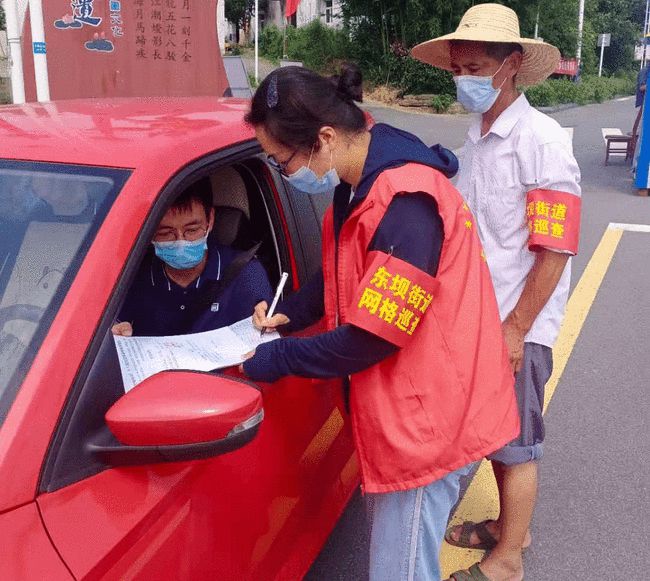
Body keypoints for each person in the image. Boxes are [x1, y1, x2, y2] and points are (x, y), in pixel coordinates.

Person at [240, 64, 520, 581]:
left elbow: (373, 338)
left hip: (429, 422)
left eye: (283, 163)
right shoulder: (356, 186)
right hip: (411, 409)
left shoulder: (407, 203)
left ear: (324, 139)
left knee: (401, 571)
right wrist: (292, 313)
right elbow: (342, 275)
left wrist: (279, 358)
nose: (285, 175)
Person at [412, 4, 582, 580]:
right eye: (457, 68)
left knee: (516, 442)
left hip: (520, 323)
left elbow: (554, 251)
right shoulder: (477, 138)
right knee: (491, 429)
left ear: (512, 65)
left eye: (476, 67)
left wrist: (516, 328)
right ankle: (516, 527)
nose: (464, 79)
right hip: (480, 318)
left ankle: (508, 559)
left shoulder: (542, 143)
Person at [112, 179, 272, 337]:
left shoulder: (245, 273)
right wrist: (116, 331)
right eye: (166, 233)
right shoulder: (133, 274)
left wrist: (266, 321)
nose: (181, 241)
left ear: (210, 220)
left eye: (192, 230)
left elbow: (267, 336)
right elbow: (114, 323)